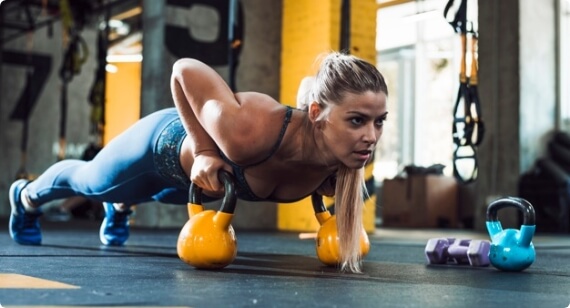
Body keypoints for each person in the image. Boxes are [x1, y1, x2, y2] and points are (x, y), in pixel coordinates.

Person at [9, 52, 388, 273]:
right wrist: (205, 149)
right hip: (159, 148)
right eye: (357, 120)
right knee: (89, 182)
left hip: (191, 189)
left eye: (378, 121)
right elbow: (184, 70)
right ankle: (25, 197)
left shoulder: (339, 164)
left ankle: (122, 205)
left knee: (152, 196)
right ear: (318, 112)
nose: (371, 136)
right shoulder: (253, 129)